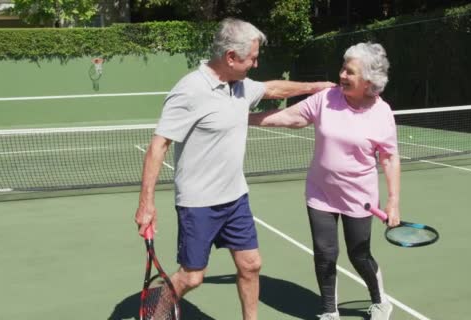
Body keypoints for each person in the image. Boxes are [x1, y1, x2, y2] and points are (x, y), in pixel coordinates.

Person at [134, 18, 335, 320]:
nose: (256, 64)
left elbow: (271, 89)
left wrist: (314, 88)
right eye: (252, 58)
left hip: (236, 199)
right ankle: (155, 314)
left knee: (251, 265)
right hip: (198, 203)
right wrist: (146, 204)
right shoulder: (189, 91)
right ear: (230, 57)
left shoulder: (239, 86)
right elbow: (158, 147)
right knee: (191, 277)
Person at [248, 42, 401, 320]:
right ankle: (330, 311)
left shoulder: (382, 113)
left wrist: (393, 201)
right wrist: (245, 118)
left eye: (350, 71)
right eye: (343, 68)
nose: (342, 74)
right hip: (320, 193)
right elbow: (291, 117)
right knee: (324, 254)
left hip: (360, 198)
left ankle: (381, 301)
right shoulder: (326, 98)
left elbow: (389, 158)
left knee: (359, 254)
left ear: (368, 81)